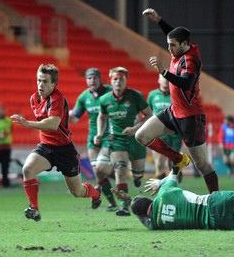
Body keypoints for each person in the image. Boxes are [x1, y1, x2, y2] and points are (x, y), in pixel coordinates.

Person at [136, 8, 219, 193]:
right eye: (169, 44)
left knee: (202, 164)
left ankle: (216, 199)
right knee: (141, 135)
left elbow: (187, 83)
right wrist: (158, 20)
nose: (169, 48)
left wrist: (164, 72)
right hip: (174, 112)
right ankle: (178, 159)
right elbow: (173, 35)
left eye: (172, 45)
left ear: (184, 44)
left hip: (191, 117)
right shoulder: (181, 48)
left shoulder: (189, 60)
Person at [10, 64, 102, 222]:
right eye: (39, 80)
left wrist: (28, 123)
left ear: (54, 84)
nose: (40, 85)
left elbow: (52, 125)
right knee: (28, 169)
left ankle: (95, 194)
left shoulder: (57, 99)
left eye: (45, 81)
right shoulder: (34, 98)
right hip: (46, 148)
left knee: (77, 192)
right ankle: (35, 209)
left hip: (65, 150)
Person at [94, 66, 153, 216]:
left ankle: (137, 178)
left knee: (138, 177)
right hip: (117, 140)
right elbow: (102, 116)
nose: (118, 81)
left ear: (126, 80)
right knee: (120, 168)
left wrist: (134, 129)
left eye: (121, 79)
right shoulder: (105, 99)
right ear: (111, 81)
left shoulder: (135, 96)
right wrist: (100, 133)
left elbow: (148, 115)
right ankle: (123, 205)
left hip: (137, 139)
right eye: (115, 79)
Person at [113, 169, 234, 230]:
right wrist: (159, 182)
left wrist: (129, 203)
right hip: (214, 203)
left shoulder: (156, 224)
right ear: (149, 199)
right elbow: (174, 171)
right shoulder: (164, 193)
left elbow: (143, 219)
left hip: (215, 223)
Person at [69, 67, 117, 211]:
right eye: (89, 78)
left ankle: (121, 180)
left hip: (108, 135)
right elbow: (75, 118)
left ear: (99, 78)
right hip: (93, 137)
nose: (92, 80)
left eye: (94, 77)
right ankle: (112, 203)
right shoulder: (84, 97)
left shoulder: (110, 91)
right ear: (86, 80)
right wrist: (63, 115)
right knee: (97, 171)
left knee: (101, 168)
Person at [147, 74, 183, 180]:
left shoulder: (176, 94)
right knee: (158, 163)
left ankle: (177, 173)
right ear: (159, 80)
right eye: (163, 78)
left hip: (174, 133)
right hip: (158, 133)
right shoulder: (152, 95)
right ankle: (161, 191)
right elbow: (147, 113)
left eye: (168, 79)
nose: (165, 81)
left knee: (172, 163)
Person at [0, 106, 12, 187]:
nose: (1, 113)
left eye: (3, 111)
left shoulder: (8, 120)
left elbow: (9, 130)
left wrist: (4, 135)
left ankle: (5, 182)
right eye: (0, 111)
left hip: (6, 146)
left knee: (5, 166)